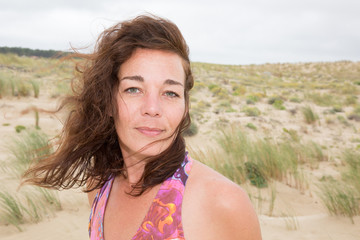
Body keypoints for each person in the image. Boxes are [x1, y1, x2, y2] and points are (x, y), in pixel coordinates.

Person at [23, 14, 262, 239]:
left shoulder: (221, 201)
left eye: (170, 93)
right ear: (108, 101)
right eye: (134, 89)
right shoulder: (98, 185)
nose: (152, 108)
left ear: (185, 107)